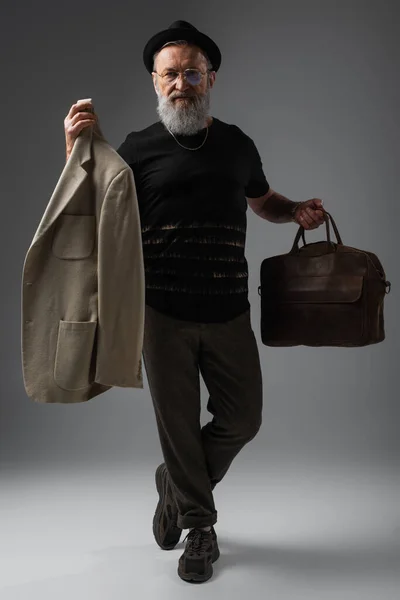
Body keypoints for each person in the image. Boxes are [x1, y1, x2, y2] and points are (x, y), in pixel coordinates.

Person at [64, 20, 325, 583]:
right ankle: (199, 529)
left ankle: (175, 486)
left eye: (190, 72)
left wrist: (295, 209)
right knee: (179, 426)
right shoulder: (136, 149)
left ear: (211, 78)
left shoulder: (237, 144)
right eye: (169, 74)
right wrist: (75, 149)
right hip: (161, 315)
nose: (180, 83)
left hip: (230, 307)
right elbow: (93, 207)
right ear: (155, 83)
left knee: (242, 418)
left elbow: (264, 201)